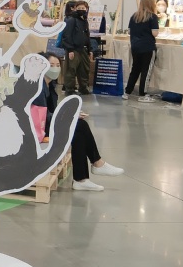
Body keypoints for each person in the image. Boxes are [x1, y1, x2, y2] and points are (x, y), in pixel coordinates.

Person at [37, 53, 123, 190]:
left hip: (47, 124)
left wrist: (70, 114)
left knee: (79, 127)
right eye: (51, 65)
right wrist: (68, 116)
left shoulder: (50, 85)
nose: (55, 68)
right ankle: (93, 167)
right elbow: (41, 117)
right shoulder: (37, 88)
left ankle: (84, 177)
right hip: (38, 129)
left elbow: (52, 111)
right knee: (78, 126)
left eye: (58, 65)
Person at [125, 0, 160, 102]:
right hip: (148, 47)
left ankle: (127, 92)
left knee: (135, 69)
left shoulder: (134, 16)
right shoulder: (153, 17)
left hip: (135, 46)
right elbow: (155, 33)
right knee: (146, 70)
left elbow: (129, 31)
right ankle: (143, 94)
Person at [61, 0, 93, 96]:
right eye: (79, 8)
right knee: (71, 69)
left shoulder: (84, 21)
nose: (81, 10)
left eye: (83, 8)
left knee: (84, 69)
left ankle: (83, 88)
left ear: (86, 9)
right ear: (75, 9)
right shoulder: (71, 19)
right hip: (73, 49)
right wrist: (70, 49)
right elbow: (67, 35)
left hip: (84, 49)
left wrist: (90, 49)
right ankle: (69, 89)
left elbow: (87, 36)